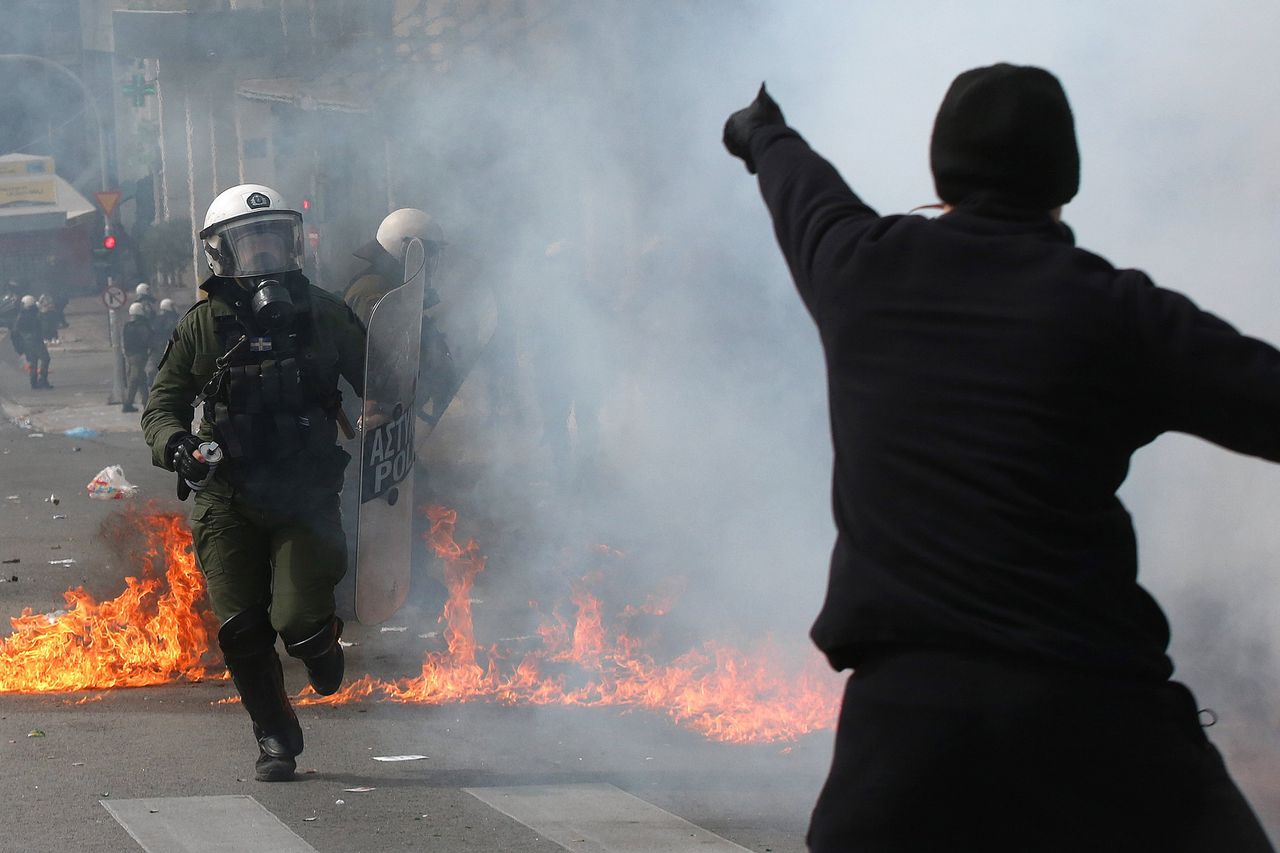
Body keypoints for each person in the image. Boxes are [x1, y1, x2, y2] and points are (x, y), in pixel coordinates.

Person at [723, 66, 1277, 852]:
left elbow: (801, 185)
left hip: (904, 732)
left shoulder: (860, 267)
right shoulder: (1113, 310)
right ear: (1066, 178)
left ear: (940, 170)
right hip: (1089, 713)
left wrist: (760, 131)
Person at [141, 183, 366, 783]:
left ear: (292, 242)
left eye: (273, 240)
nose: (263, 254)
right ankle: (275, 738)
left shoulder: (324, 313)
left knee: (295, 620)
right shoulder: (202, 326)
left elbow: (384, 377)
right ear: (223, 254)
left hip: (304, 498)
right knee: (241, 630)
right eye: (249, 244)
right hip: (227, 498)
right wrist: (178, 446)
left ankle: (319, 641)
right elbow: (161, 407)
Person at [343, 208, 455, 425]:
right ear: (405, 250)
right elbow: (377, 356)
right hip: (367, 411)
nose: (432, 264)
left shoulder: (396, 288)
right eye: (428, 253)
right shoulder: (373, 291)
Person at [12, 295, 50, 390]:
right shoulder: (31, 315)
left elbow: (15, 333)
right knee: (45, 359)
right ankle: (43, 379)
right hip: (35, 341)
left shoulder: (22, 315)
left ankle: (33, 382)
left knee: (33, 362)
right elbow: (41, 323)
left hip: (27, 343)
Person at [121, 301, 152, 413]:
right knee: (135, 379)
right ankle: (128, 404)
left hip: (130, 355)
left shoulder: (127, 325)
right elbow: (147, 339)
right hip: (139, 355)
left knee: (141, 378)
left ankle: (146, 402)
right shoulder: (142, 325)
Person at [147, 297, 180, 386]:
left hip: (157, 345)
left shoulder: (158, 318)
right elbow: (172, 331)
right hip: (165, 345)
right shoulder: (169, 318)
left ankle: (153, 380)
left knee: (156, 364)